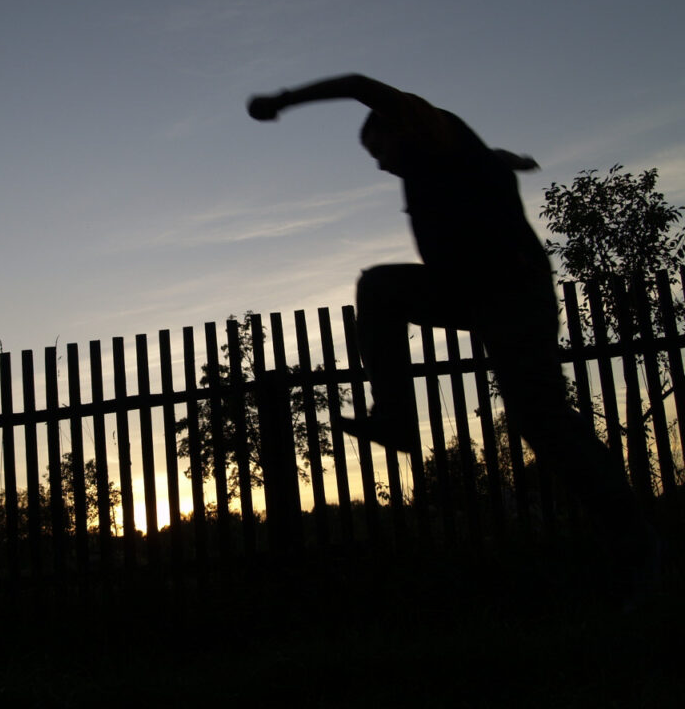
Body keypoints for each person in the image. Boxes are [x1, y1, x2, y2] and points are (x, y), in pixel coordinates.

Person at [247, 74, 656, 604]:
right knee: (383, 290)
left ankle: (634, 543)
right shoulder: (449, 156)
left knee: (543, 419)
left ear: (399, 127)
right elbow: (480, 164)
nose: (379, 165)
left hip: (511, 293)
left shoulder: (428, 130)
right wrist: (502, 160)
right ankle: (394, 417)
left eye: (377, 150)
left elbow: (356, 84)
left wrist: (283, 101)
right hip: (472, 292)